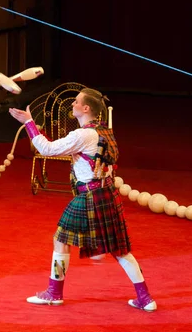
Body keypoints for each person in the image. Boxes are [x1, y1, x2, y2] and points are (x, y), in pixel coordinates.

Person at [9, 88, 157, 312]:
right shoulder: (104, 130)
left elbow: (46, 149)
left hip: (90, 196)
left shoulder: (82, 135)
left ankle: (54, 293)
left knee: (60, 239)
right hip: (106, 194)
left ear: (86, 108)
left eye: (76, 102)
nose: (73, 105)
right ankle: (145, 298)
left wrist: (30, 122)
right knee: (119, 249)